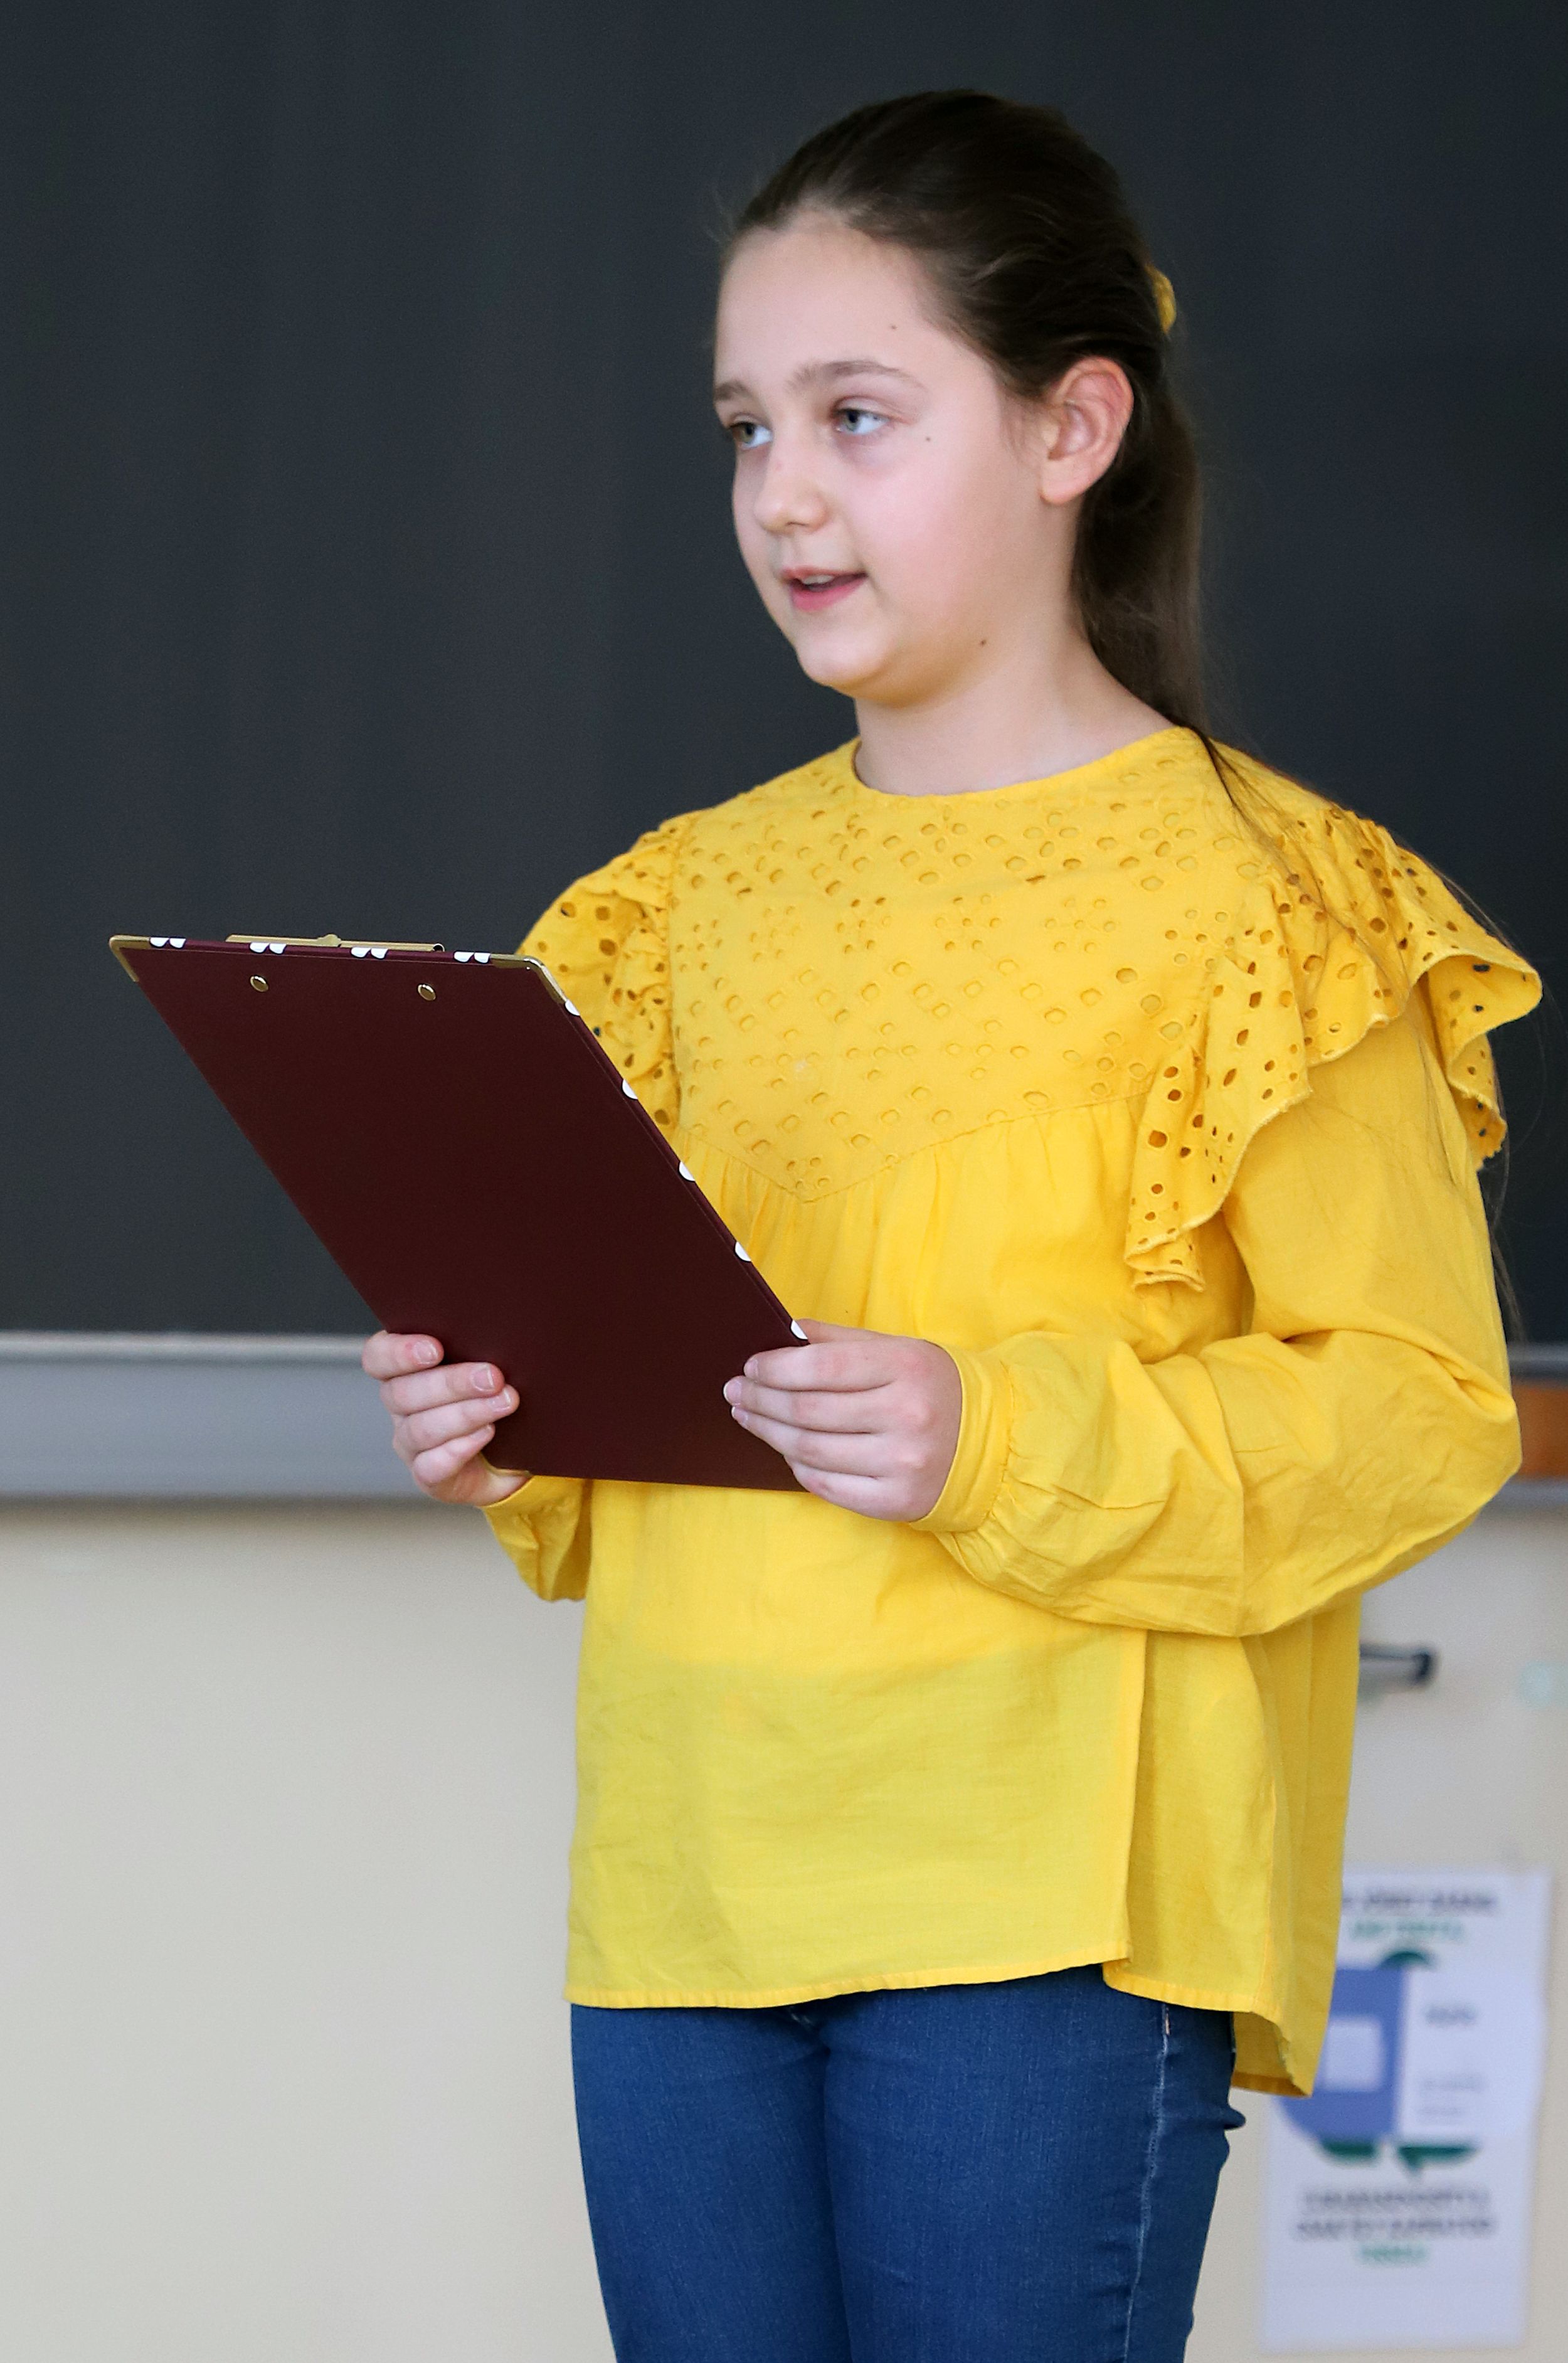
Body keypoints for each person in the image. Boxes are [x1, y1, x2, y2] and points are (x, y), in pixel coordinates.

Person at [363, 90, 1539, 2363]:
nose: (783, 494)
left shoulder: (1280, 905)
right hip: (691, 1884)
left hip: (1045, 1913)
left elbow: (1413, 1410)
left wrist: (994, 1433)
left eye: (858, 415)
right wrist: (504, 1422)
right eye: (746, 428)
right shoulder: (665, 916)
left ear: (1072, 427)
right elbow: (634, 1414)